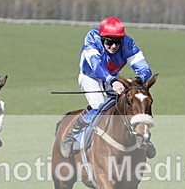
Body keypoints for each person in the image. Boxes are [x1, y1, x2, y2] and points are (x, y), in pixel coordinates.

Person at [60, 16, 156, 158]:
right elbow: (96, 65)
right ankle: (73, 134)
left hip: (112, 77)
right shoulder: (92, 39)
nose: (113, 46)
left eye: (117, 42)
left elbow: (144, 68)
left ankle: (141, 136)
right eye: (109, 42)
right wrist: (112, 81)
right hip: (90, 76)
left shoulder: (128, 44)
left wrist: (137, 79)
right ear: (102, 38)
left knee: (127, 101)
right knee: (99, 106)